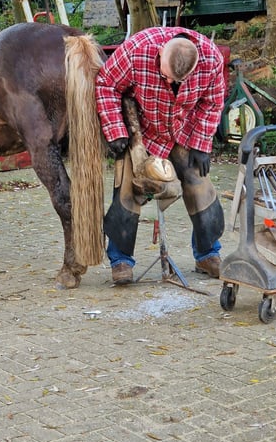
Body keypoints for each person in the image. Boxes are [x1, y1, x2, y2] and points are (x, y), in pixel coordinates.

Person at [96, 27, 226, 284]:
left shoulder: (211, 60)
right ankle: (120, 259)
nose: (171, 84)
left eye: (177, 82)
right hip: (142, 131)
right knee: (127, 190)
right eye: (166, 77)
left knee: (199, 184)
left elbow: (213, 101)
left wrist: (202, 142)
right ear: (159, 55)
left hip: (184, 130)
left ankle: (207, 254)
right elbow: (106, 85)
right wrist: (116, 131)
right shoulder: (137, 50)